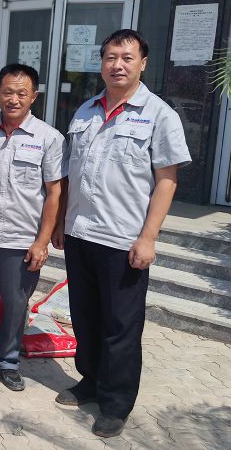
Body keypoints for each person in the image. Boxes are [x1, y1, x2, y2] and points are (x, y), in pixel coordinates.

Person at [52, 29, 191, 438]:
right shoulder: (85, 111)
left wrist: (149, 237)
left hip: (123, 239)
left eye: (127, 58)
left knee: (121, 325)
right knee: (86, 316)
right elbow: (70, 173)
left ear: (142, 63)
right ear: (101, 63)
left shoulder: (160, 115)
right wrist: (60, 223)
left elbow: (167, 181)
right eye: (111, 57)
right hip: (80, 233)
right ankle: (91, 380)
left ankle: (115, 403)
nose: (118, 65)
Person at [0, 64, 65, 399]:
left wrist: (42, 241)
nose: (14, 99)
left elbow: (54, 193)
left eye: (22, 93)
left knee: (16, 304)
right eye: (8, 92)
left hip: (22, 240)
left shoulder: (49, 138)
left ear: (34, 96)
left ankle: (7, 362)